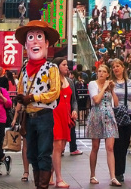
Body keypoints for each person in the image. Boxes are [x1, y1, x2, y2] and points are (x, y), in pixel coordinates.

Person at [16, 21, 65, 189]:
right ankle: (38, 184)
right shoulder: (24, 68)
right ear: (26, 44)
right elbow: (20, 88)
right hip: (29, 117)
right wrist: (21, 98)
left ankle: (42, 186)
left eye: (39, 37)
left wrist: (32, 97)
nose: (35, 41)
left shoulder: (51, 68)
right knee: (31, 153)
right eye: (31, 37)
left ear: (46, 43)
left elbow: (55, 92)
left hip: (44, 116)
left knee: (44, 152)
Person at [106, 59, 131, 184]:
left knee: (125, 144)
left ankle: (120, 170)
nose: (115, 68)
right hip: (114, 115)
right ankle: (117, 172)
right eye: (113, 67)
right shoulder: (110, 83)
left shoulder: (130, 82)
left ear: (123, 68)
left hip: (128, 115)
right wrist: (111, 89)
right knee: (116, 144)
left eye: (118, 66)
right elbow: (111, 100)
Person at [86, 64, 119, 186]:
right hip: (96, 116)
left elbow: (116, 104)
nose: (100, 73)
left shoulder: (109, 85)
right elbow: (96, 100)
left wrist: (112, 90)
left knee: (110, 147)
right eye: (99, 71)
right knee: (95, 146)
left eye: (104, 71)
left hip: (109, 116)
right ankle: (92, 175)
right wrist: (104, 87)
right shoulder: (92, 84)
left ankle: (113, 177)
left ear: (107, 74)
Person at [54, 60, 74, 188]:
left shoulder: (69, 81)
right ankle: (59, 178)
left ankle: (49, 175)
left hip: (66, 115)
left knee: (61, 147)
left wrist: (74, 110)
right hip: (55, 114)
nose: (67, 67)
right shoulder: (52, 80)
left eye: (67, 65)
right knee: (57, 146)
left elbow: (74, 99)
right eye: (64, 65)